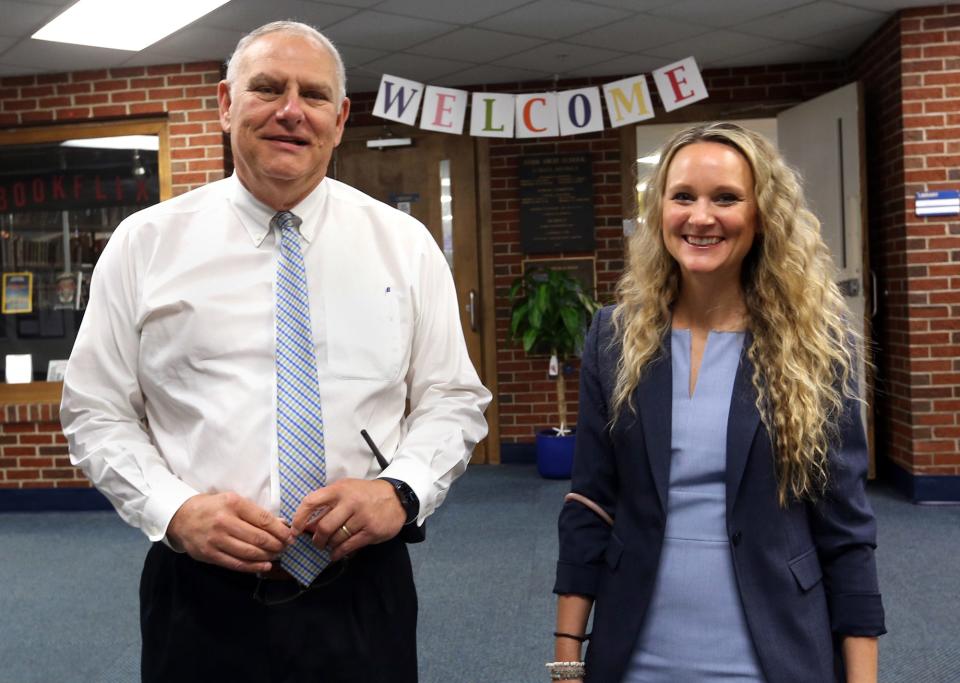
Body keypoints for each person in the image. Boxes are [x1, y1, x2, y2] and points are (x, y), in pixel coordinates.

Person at [60, 20, 490, 683]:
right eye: (267, 88)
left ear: (340, 118)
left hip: (361, 588)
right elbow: (95, 411)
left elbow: (451, 401)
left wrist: (401, 491)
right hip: (200, 595)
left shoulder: (404, 246)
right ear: (227, 104)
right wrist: (173, 509)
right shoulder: (145, 245)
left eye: (313, 95)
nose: (292, 110)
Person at [550, 122, 885, 683]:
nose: (700, 217)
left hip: (775, 650)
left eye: (725, 198)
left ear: (762, 215)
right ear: (660, 212)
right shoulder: (614, 336)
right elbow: (590, 502)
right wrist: (565, 660)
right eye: (683, 197)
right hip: (635, 651)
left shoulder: (817, 346)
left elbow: (847, 531)